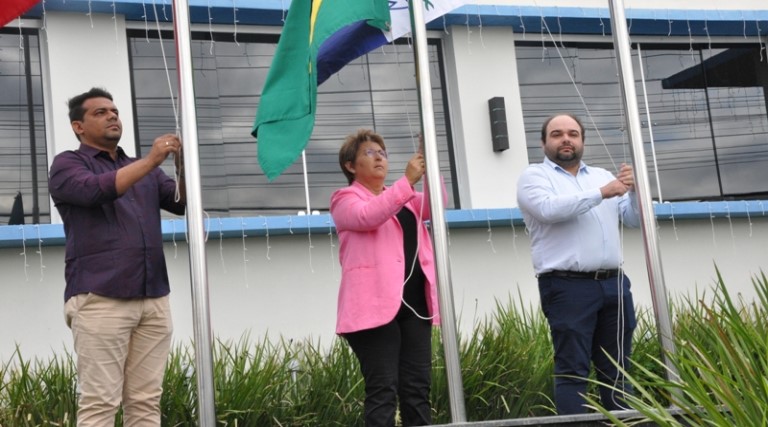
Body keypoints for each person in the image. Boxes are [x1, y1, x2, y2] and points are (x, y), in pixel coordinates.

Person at [48, 87, 185, 426]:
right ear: (78, 126)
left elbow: (182, 203)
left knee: (145, 402)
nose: (112, 116)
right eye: (100, 112)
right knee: (100, 403)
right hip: (100, 297)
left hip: (153, 298)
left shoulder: (142, 168)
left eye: (115, 111)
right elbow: (96, 190)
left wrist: (184, 167)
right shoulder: (68, 164)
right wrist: (152, 160)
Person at [516, 113, 640, 415]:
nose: (566, 139)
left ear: (582, 140)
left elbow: (634, 220)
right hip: (567, 286)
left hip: (613, 284)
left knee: (618, 371)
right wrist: (602, 193)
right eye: (557, 134)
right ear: (544, 142)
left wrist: (636, 191)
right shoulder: (534, 176)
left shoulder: (601, 175)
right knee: (573, 369)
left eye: (573, 133)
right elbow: (548, 209)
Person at [330, 129, 445, 427]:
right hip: (373, 310)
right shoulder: (344, 199)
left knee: (417, 388)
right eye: (369, 152)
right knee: (383, 389)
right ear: (350, 166)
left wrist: (430, 160)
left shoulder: (406, 200)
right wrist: (406, 182)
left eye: (382, 152)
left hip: (415, 306)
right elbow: (369, 216)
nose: (379, 157)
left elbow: (437, 204)